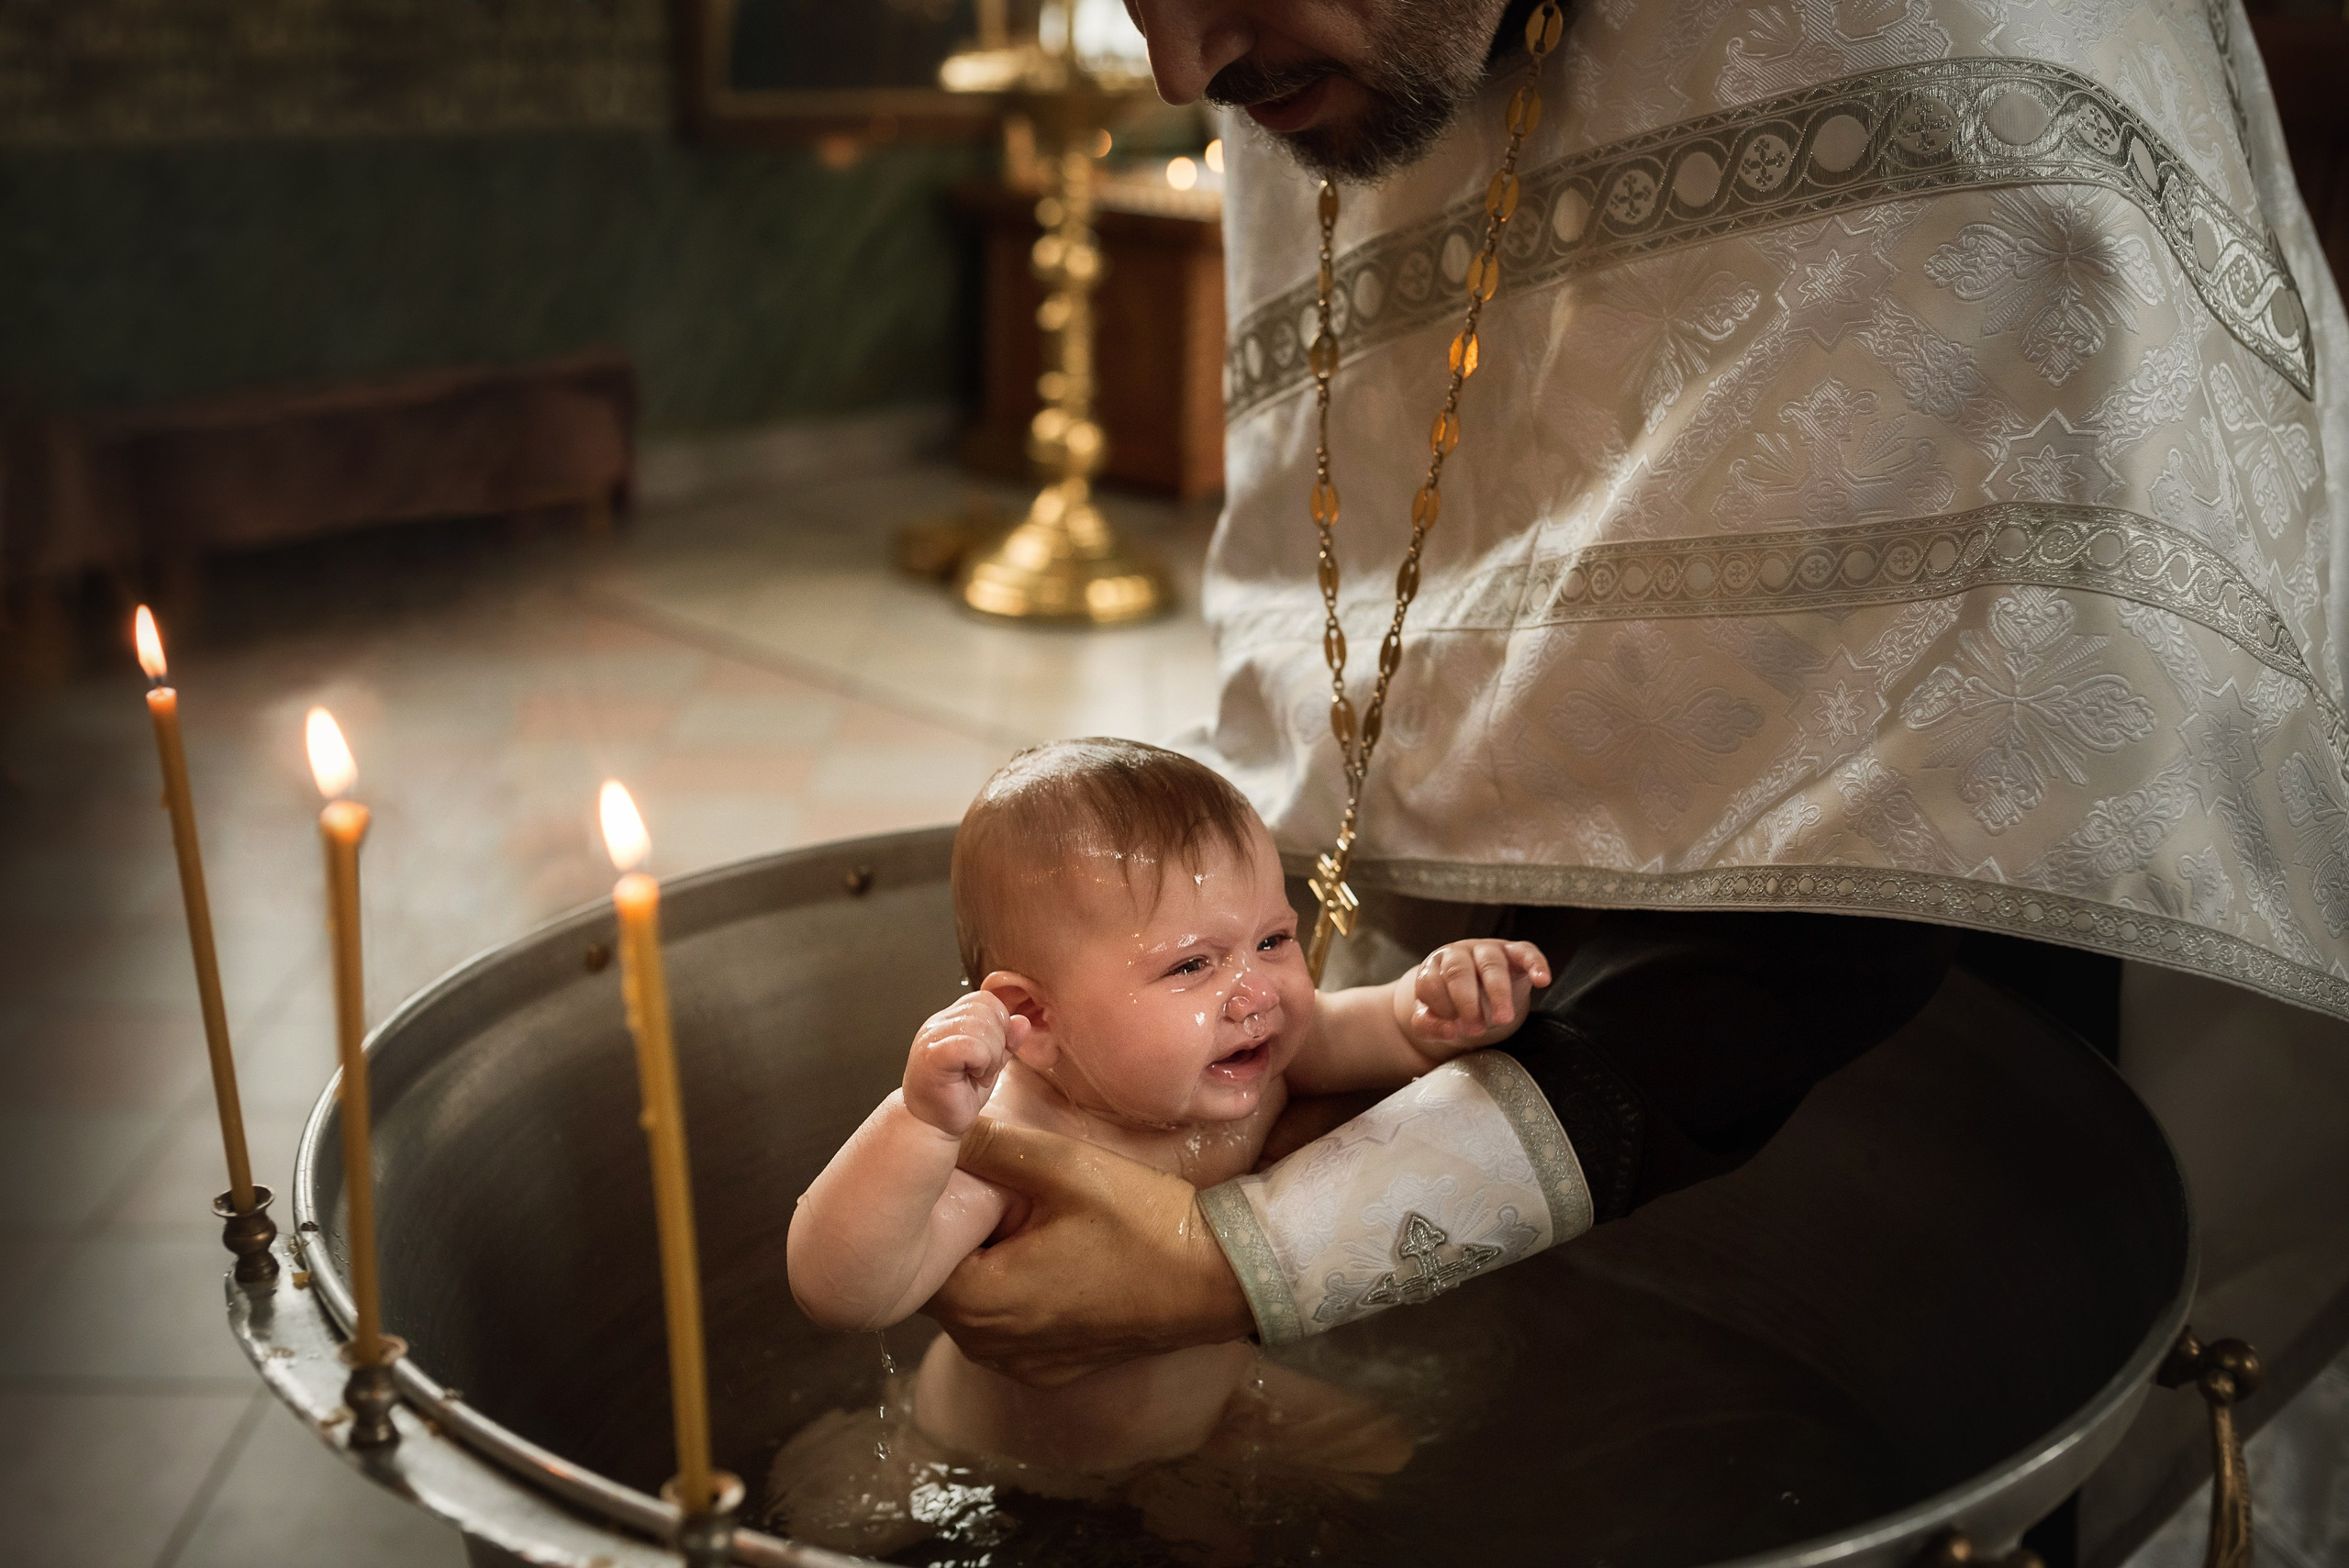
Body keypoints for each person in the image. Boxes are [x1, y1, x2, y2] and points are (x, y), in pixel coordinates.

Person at [930, 4, 2349, 1565]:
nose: (1182, 72)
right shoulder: (1320, 56)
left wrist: (1241, 1256)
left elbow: (1901, 824)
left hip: (1954, 960)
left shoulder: (1922, 50)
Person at [773, 739, 1550, 1550]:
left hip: (1213, 1414)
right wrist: (921, 1122)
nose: (1255, 991)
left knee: (1388, 1459)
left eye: (1274, 939)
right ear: (1034, 1019)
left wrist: (1442, 1003)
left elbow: (1392, 1031)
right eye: (1192, 965)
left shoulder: (1265, 1050)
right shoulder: (1013, 1143)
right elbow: (845, 1291)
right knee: (837, 1519)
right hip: (985, 1453)